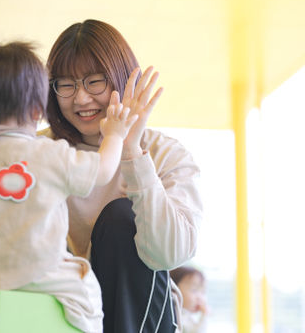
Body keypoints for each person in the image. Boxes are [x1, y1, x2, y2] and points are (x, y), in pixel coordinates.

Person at [0, 41, 138, 333]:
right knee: (88, 288)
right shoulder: (47, 153)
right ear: (36, 109)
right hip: (39, 274)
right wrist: (115, 134)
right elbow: (103, 170)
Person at [40, 19, 203, 333]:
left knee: (121, 217)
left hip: (142, 319)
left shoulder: (164, 153)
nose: (81, 99)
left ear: (121, 79)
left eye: (94, 81)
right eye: (66, 84)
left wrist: (130, 150)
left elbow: (169, 253)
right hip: (62, 314)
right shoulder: (41, 151)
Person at [170, 266, 208, 333]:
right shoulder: (176, 317)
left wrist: (203, 316)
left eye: (203, 292)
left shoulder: (187, 316)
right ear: (174, 290)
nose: (200, 297)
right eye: (194, 290)